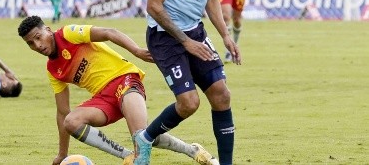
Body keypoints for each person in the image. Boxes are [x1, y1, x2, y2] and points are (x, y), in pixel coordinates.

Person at [17, 16, 219, 165]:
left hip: (126, 80)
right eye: (30, 44)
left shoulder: (68, 34)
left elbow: (109, 33)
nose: (37, 45)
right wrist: (62, 154)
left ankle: (192, 150)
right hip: (104, 99)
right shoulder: (53, 70)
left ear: (48, 30)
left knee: (142, 137)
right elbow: (62, 112)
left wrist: (137, 51)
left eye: (38, 37)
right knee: (72, 121)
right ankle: (126, 156)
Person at [133, 0, 240, 165]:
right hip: (165, 37)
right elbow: (154, 6)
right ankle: (146, 137)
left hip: (195, 31)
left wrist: (225, 35)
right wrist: (186, 42)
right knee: (189, 103)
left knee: (221, 95)